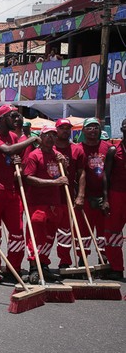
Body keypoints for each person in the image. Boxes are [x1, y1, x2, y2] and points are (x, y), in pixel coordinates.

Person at [0, 104, 39, 281]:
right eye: (13, 116)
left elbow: (17, 159)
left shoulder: (15, 137)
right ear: (1, 119)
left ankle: (13, 268)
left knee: (17, 232)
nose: (18, 120)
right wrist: (31, 139)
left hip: (12, 190)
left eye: (18, 116)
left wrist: (18, 164)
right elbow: (6, 150)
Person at [22, 126, 68, 283]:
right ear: (41, 137)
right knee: (36, 235)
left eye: (53, 135)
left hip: (54, 203)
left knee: (49, 236)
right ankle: (34, 268)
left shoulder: (58, 156)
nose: (50, 138)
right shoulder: (35, 155)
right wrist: (54, 182)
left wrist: (65, 166)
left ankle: (44, 264)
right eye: (47, 135)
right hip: (38, 203)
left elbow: (63, 177)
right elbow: (29, 178)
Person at [74, 117, 110, 265]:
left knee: (103, 231)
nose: (93, 130)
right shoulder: (78, 148)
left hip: (104, 195)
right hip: (84, 196)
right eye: (89, 127)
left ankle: (104, 259)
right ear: (83, 130)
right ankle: (83, 259)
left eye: (96, 127)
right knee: (83, 231)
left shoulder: (108, 148)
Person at [53, 118, 85, 268]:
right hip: (49, 196)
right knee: (46, 231)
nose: (65, 130)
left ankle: (65, 262)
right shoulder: (49, 147)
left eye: (68, 128)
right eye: (62, 127)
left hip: (66, 196)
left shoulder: (77, 149)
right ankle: (41, 263)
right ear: (56, 129)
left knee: (65, 232)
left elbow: (82, 173)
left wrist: (80, 195)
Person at [104, 118, 126, 280]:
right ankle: (116, 268)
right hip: (116, 195)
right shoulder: (113, 150)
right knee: (113, 233)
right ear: (121, 128)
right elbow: (106, 175)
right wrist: (106, 198)